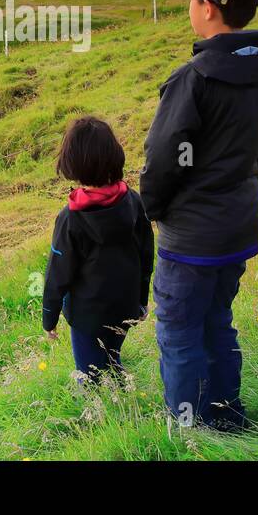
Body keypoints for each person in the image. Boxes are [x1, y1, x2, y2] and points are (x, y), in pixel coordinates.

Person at [140, 0, 258, 431]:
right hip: (237, 228)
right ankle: (228, 419)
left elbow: (165, 157)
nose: (188, 7)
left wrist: (154, 207)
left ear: (208, 7)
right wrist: (233, 184)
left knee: (180, 333)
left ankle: (188, 432)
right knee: (217, 323)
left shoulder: (192, 80)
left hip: (190, 239)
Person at [41, 116, 154, 382]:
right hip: (125, 306)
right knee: (111, 357)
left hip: (86, 317)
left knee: (89, 373)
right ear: (114, 153)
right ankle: (120, 393)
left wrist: (49, 319)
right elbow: (146, 255)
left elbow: (57, 275)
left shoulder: (70, 218)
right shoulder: (133, 201)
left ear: (72, 163)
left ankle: (101, 413)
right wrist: (141, 300)